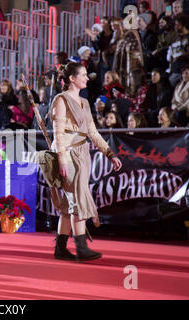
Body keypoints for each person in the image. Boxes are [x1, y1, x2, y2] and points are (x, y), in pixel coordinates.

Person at [51, 62, 122, 261]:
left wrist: (110, 153)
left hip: (82, 155)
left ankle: (61, 248)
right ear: (72, 79)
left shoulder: (84, 102)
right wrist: (62, 160)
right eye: (83, 74)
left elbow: (92, 132)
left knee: (69, 203)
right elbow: (59, 134)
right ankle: (81, 247)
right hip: (69, 155)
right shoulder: (61, 100)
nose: (87, 78)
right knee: (78, 200)